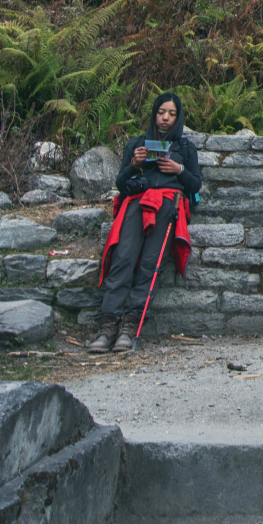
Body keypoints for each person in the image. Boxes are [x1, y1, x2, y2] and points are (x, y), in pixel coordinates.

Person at [88, 91, 202, 354]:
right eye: (162, 112)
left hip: (167, 207)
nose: (166, 118)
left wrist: (179, 170)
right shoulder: (137, 144)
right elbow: (120, 184)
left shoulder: (185, 148)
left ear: (178, 117)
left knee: (151, 264)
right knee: (123, 258)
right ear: (154, 113)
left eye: (172, 114)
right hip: (136, 205)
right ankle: (107, 327)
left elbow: (195, 186)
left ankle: (130, 326)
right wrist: (133, 164)